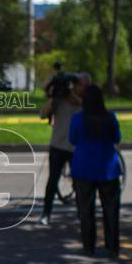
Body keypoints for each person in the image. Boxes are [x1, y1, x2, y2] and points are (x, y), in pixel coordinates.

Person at [68, 85, 122, 257]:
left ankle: (88, 246)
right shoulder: (110, 116)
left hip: (84, 168)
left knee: (86, 209)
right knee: (111, 209)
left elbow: (73, 139)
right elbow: (117, 138)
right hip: (108, 168)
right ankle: (112, 245)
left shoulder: (78, 118)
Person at [38, 71, 91, 225]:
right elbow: (43, 114)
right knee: (52, 180)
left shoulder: (87, 100)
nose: (84, 88)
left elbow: (83, 107)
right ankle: (46, 213)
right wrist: (53, 98)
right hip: (58, 145)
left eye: (87, 86)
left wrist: (74, 98)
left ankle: (82, 213)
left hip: (77, 148)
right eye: (82, 85)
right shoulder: (61, 99)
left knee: (79, 182)